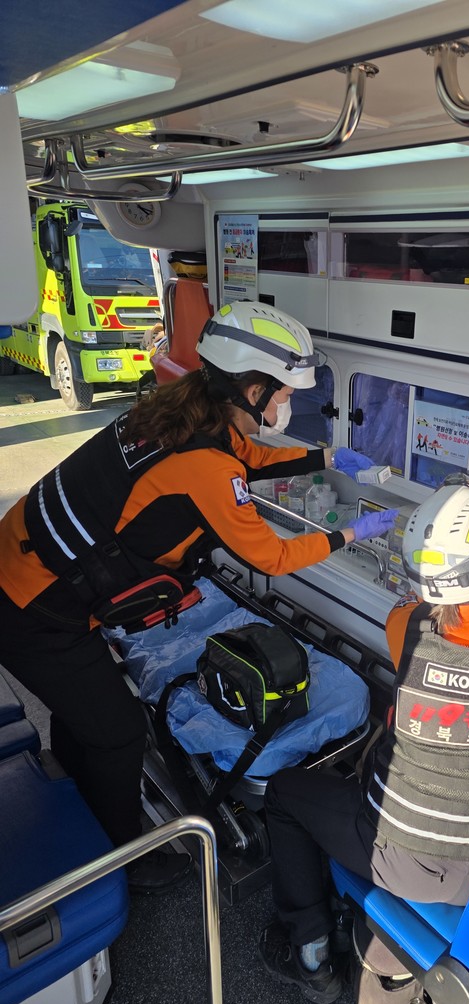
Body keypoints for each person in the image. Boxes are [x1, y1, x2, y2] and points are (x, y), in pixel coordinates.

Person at [0, 301, 397, 893]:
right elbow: (272, 557)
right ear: (253, 390)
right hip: (36, 606)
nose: (289, 405)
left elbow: (246, 459)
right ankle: (124, 858)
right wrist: (350, 534)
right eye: (286, 394)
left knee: (82, 710)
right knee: (117, 730)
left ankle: (81, 796)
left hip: (23, 560)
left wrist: (327, 457)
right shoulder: (207, 466)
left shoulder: (177, 411)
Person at [257, 422, 469, 1004]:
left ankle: (312, 955)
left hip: (391, 853)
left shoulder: (405, 626)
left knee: (285, 794)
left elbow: (429, 605)